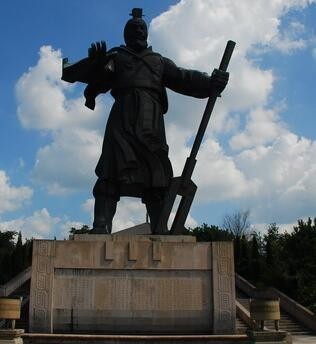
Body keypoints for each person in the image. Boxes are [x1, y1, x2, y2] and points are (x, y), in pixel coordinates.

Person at [63, 8, 229, 234]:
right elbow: (96, 81)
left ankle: (160, 228)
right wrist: (97, 65)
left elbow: (184, 77)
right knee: (109, 173)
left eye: (142, 28)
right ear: (125, 34)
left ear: (147, 33)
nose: (138, 32)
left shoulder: (157, 61)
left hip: (151, 122)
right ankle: (101, 226)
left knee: (157, 176)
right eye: (133, 29)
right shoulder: (116, 57)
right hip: (122, 120)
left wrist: (211, 81)